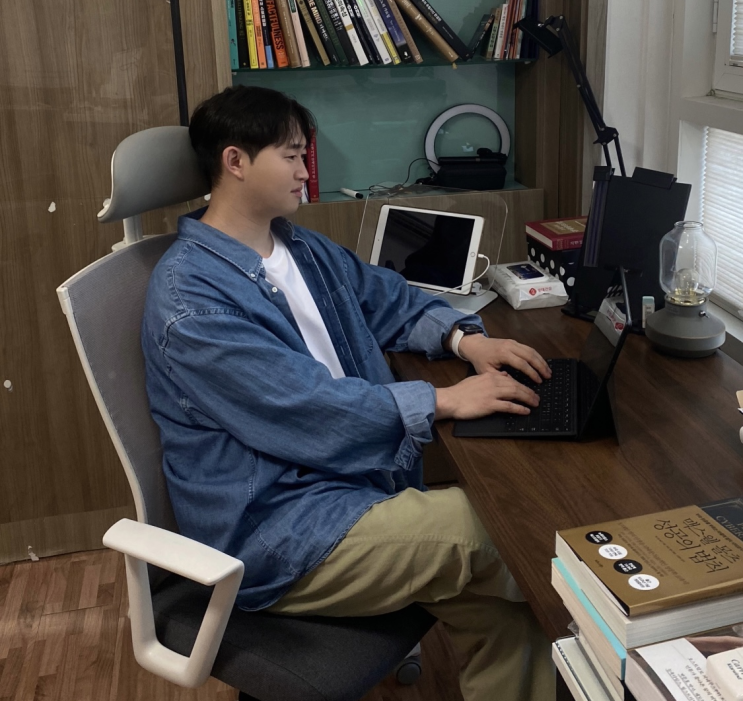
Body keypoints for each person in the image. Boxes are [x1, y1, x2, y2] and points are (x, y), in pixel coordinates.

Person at [142, 85, 555, 701]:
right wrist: (443, 400)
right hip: (281, 528)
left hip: (352, 486)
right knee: (501, 531)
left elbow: (386, 297)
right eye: (291, 156)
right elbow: (304, 408)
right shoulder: (191, 300)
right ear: (235, 162)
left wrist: (466, 341)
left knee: (514, 618)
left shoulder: (298, 246)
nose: (305, 171)